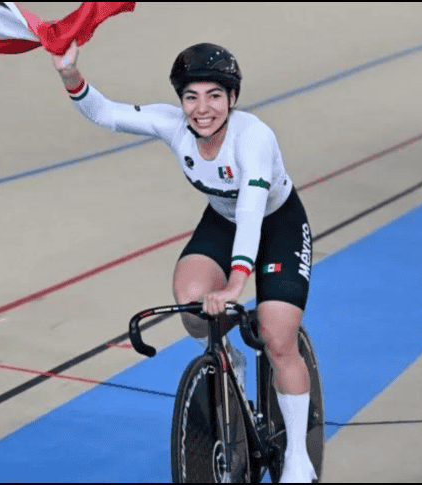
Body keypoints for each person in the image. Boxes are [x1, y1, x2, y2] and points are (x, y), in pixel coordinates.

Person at [51, 41, 316, 483]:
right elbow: (107, 114)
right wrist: (69, 73)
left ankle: (297, 460)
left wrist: (235, 285)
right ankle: (231, 357)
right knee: (193, 304)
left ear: (232, 98)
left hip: (277, 224)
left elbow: (252, 213)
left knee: (278, 335)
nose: (202, 108)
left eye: (214, 95)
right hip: (223, 219)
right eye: (191, 96)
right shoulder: (173, 125)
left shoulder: (253, 138)